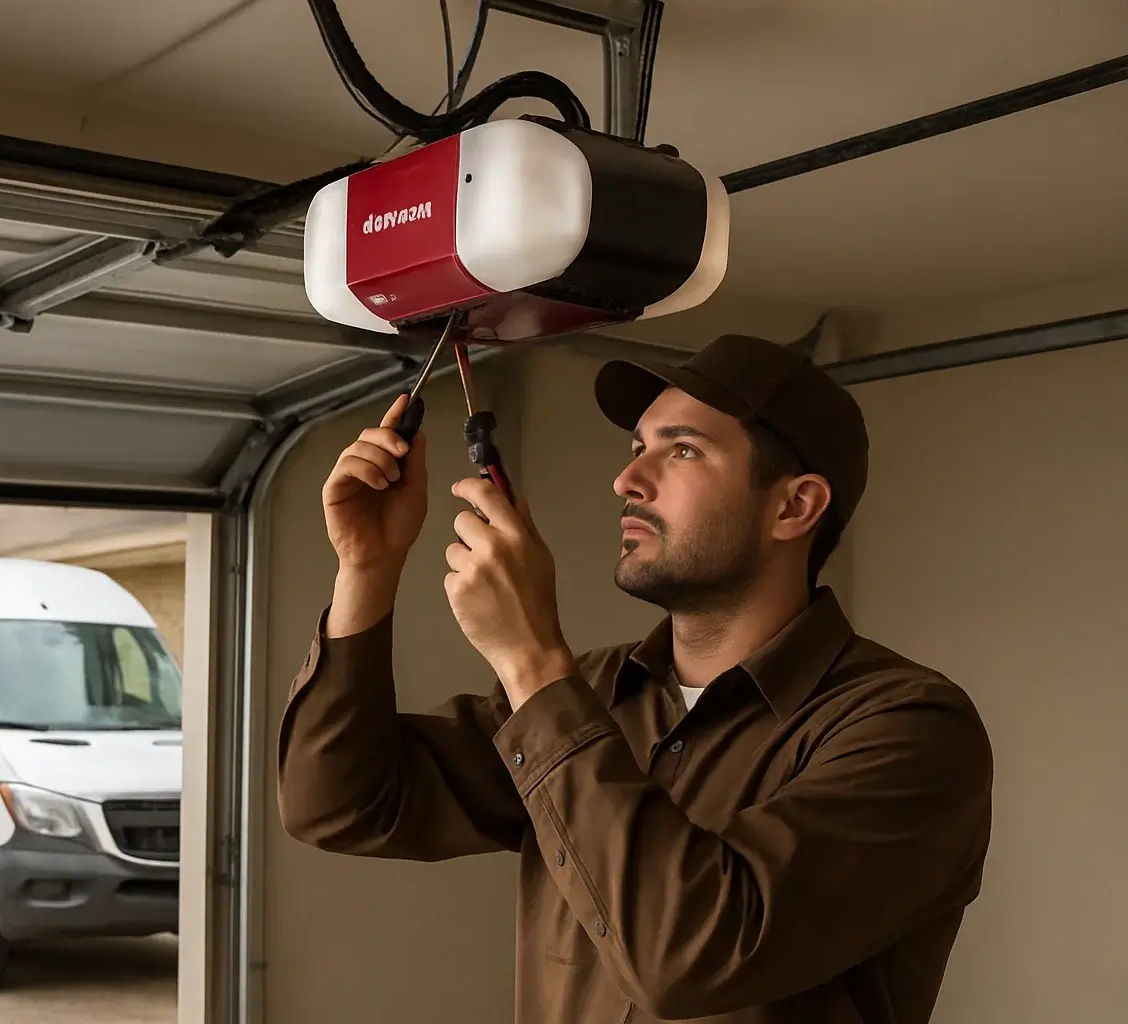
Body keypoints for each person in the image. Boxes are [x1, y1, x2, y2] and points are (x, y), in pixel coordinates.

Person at [275, 333, 993, 1024]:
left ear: (793, 506)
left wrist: (531, 660)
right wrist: (367, 569)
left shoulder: (908, 731)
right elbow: (338, 802)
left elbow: (687, 956)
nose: (627, 480)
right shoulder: (591, 691)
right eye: (637, 448)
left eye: (682, 450)